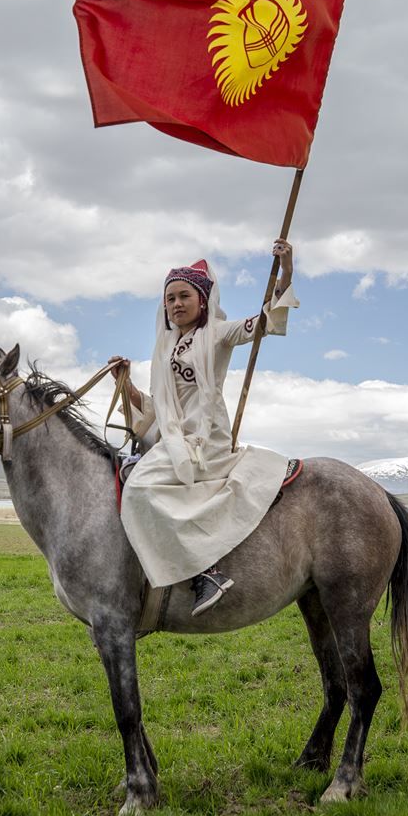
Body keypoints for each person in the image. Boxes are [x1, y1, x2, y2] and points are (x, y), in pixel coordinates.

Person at [109, 240, 299, 617]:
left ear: (202, 300)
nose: (177, 304)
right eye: (170, 298)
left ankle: (204, 572)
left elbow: (264, 323)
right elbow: (159, 410)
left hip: (204, 441)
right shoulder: (164, 349)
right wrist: (124, 384)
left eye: (184, 296)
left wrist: (286, 271)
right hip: (172, 441)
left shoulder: (220, 333)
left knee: (139, 490)